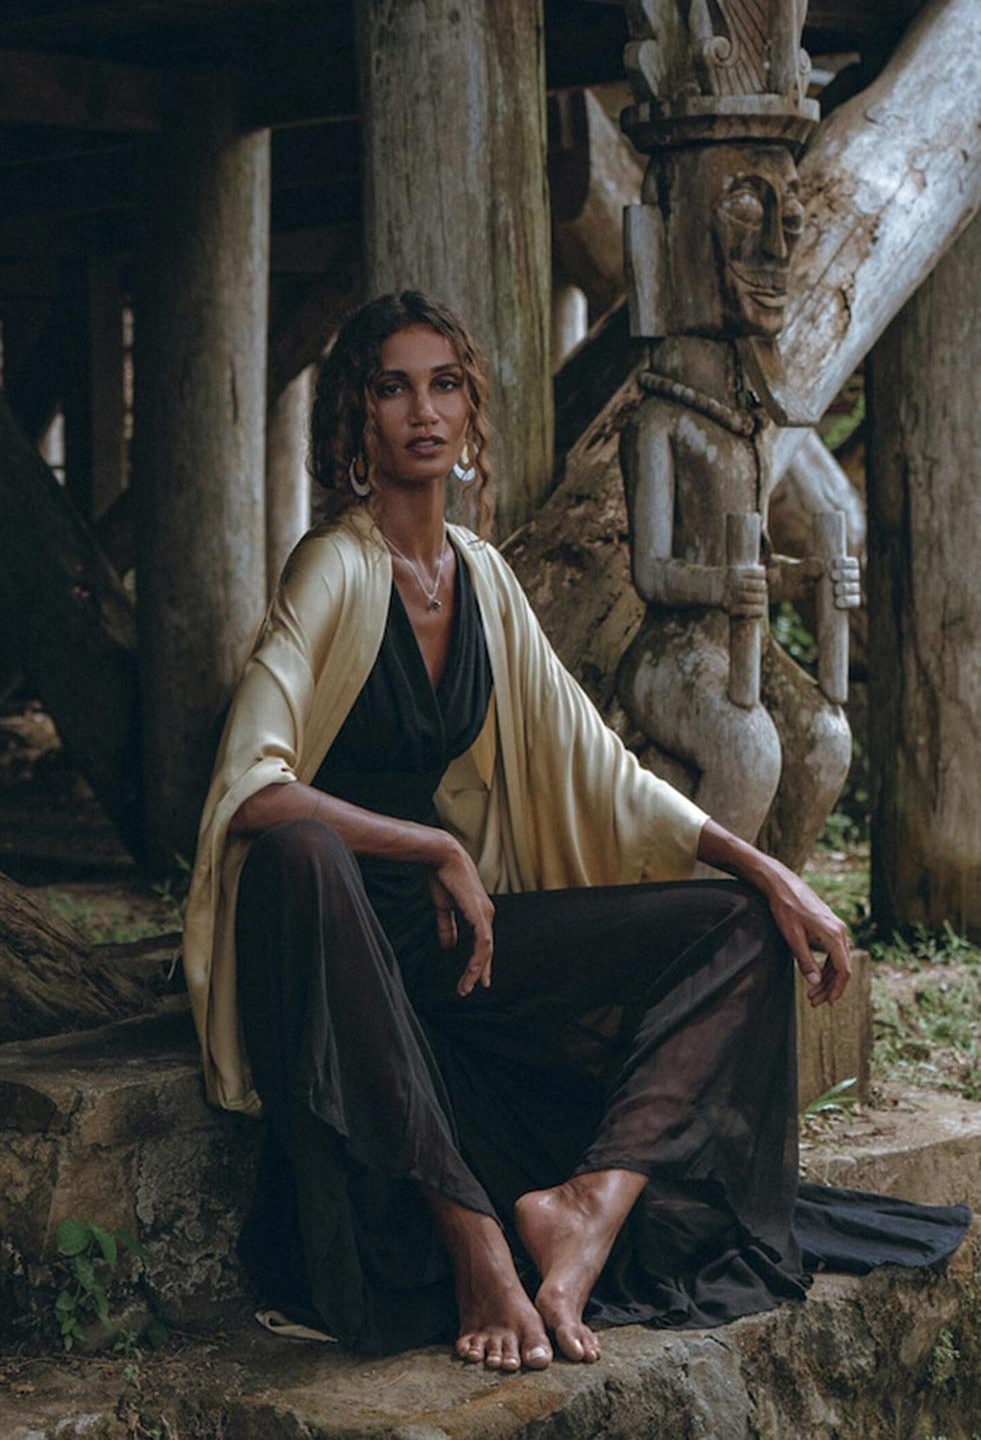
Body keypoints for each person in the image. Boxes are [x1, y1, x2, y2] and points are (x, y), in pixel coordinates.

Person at [182, 291, 968, 1373]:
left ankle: (589, 1205)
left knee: (734, 925)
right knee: (301, 849)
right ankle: (470, 1235)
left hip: (453, 944)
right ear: (355, 420)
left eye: (445, 383)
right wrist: (434, 847)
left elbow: (606, 775)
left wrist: (775, 873)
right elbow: (251, 787)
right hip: (334, 946)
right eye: (393, 385)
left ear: (470, 415)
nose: (424, 409)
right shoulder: (335, 565)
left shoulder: (484, 578)